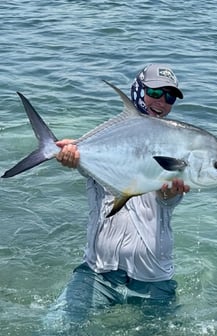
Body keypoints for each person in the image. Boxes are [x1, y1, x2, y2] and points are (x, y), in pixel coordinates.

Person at [44, 64, 190, 332]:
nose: (161, 102)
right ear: (137, 91)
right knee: (55, 330)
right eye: (155, 92)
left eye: (169, 97)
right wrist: (71, 157)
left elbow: (167, 199)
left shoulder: (177, 145)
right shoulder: (109, 138)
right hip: (98, 275)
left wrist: (169, 192)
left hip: (154, 279)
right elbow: (85, 156)